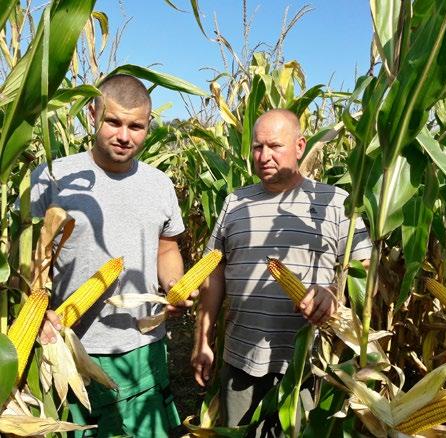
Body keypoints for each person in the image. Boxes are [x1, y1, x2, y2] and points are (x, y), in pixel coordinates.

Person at [30, 74, 194, 437]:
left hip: (144, 346)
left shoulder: (159, 184)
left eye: (136, 126)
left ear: (148, 126)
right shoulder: (52, 178)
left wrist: (174, 283)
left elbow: (167, 246)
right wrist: (37, 310)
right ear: (93, 113)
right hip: (71, 346)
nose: (124, 136)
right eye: (113, 122)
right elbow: (26, 257)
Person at [191, 109, 372, 435]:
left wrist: (332, 293)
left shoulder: (336, 202)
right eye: (257, 147)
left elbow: (365, 272)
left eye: (275, 146)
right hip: (240, 359)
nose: (263, 156)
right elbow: (213, 272)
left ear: (300, 146)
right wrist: (202, 340)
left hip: (308, 365)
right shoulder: (235, 202)